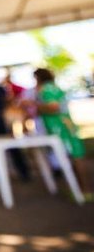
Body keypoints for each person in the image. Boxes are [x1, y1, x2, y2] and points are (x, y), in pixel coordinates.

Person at [33, 67, 92, 198]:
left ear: (38, 78)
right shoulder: (53, 87)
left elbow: (54, 107)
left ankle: (85, 190)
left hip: (61, 128)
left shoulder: (47, 89)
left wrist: (35, 104)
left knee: (75, 157)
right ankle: (81, 189)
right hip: (65, 126)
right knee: (74, 157)